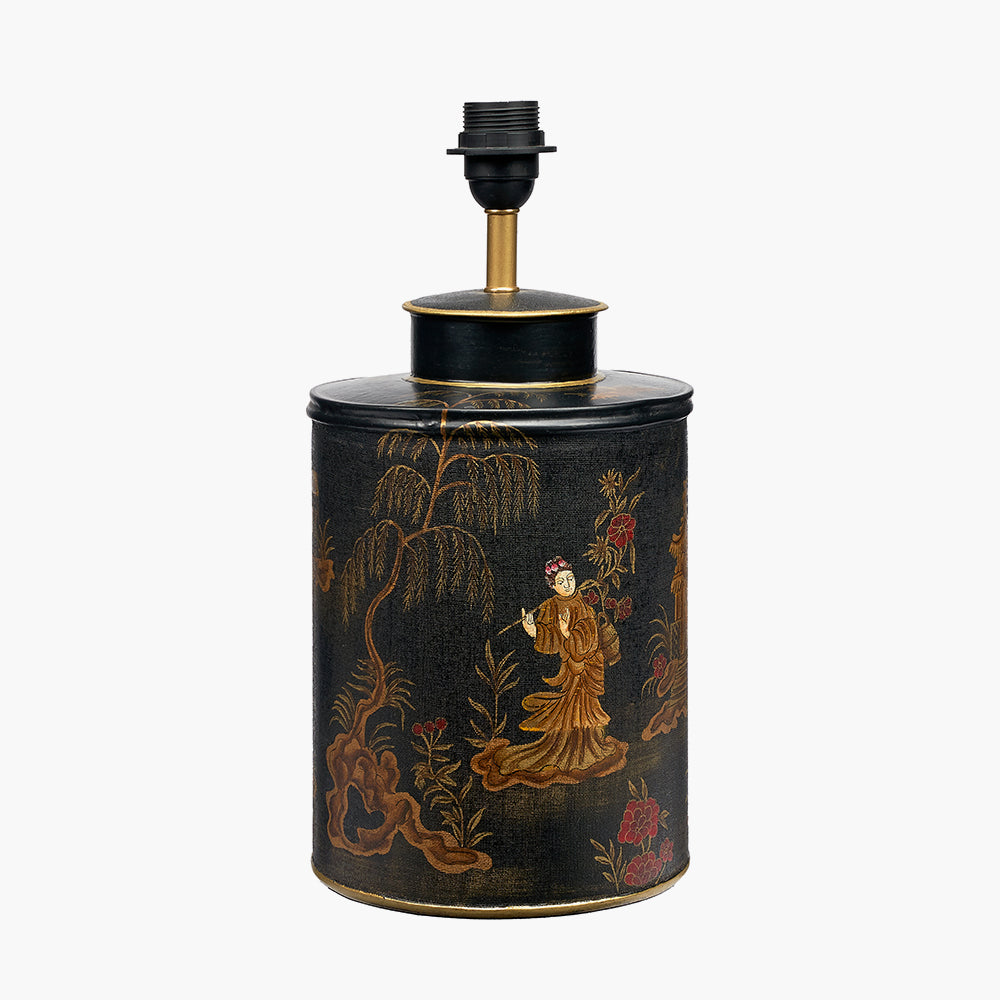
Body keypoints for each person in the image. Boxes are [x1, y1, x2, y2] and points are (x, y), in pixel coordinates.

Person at [471, 557, 627, 790]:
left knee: (584, 709)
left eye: (570, 579)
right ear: (553, 586)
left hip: (586, 666)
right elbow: (551, 640)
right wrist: (534, 631)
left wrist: (568, 634)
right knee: (569, 708)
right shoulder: (550, 606)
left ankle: (588, 748)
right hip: (570, 668)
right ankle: (564, 749)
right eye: (561, 582)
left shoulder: (582, 604)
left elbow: (590, 635)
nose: (568, 585)